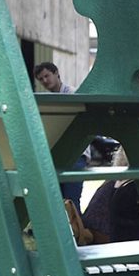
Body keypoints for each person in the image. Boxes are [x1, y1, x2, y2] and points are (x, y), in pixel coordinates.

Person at [34, 62, 87, 210]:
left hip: (76, 154)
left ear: (56, 73)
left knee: (71, 201)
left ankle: (77, 233)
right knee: (57, 201)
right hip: (58, 154)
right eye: (41, 79)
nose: (45, 81)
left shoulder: (72, 94)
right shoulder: (51, 100)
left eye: (47, 76)